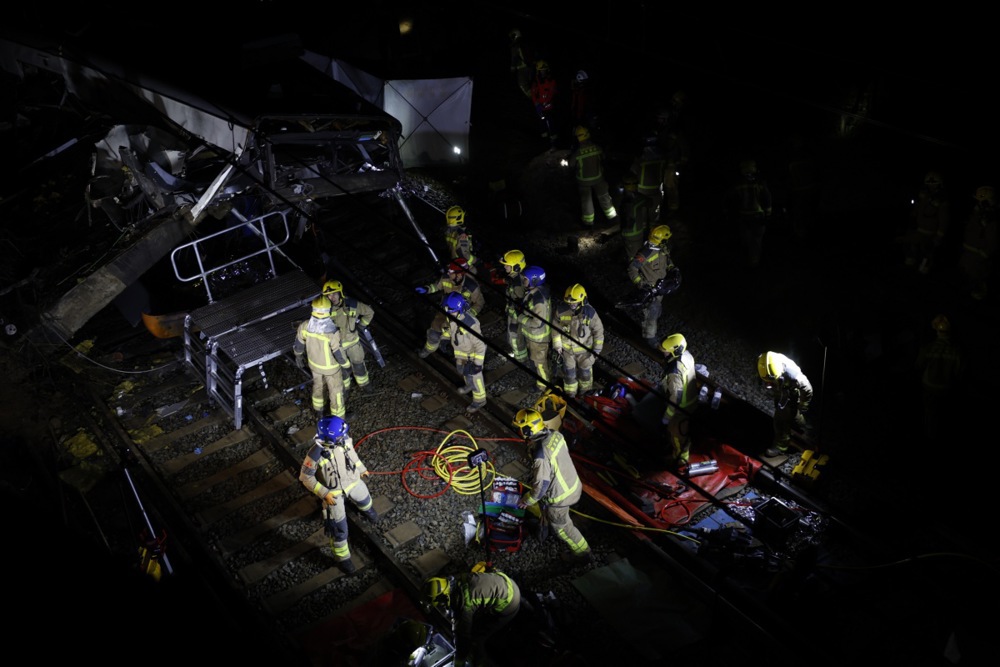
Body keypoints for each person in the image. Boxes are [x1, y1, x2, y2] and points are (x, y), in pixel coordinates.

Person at [298, 415, 378, 575]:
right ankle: (343, 558)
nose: (344, 437)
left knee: (365, 498)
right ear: (330, 438)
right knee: (339, 530)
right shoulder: (314, 455)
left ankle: (368, 511)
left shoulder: (344, 440)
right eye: (340, 436)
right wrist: (324, 493)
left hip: (352, 481)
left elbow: (352, 455)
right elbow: (305, 478)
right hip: (332, 494)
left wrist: (362, 469)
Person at [513, 408, 592, 564]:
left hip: (560, 498)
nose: (519, 431)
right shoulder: (555, 435)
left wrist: (526, 500)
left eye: (520, 428)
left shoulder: (540, 456)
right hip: (573, 485)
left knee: (563, 528)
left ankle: (583, 553)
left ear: (528, 430)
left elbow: (540, 487)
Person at [422, 562, 521, 666]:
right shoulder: (457, 579)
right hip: (506, 582)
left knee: (477, 637)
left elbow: (462, 637)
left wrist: (458, 662)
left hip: (510, 602)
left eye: (440, 604)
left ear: (444, 597)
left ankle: (480, 663)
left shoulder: (464, 603)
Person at [416, 257, 485, 359]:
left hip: (460, 318)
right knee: (433, 334)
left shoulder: (471, 286)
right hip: (444, 313)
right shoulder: (446, 277)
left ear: (459, 275)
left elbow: (479, 302)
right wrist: (427, 289)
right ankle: (427, 350)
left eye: (451, 272)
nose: (448, 273)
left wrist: (470, 314)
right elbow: (437, 286)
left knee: (457, 339)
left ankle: (457, 356)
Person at [294, 296, 351, 419]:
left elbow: (298, 345)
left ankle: (319, 412)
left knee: (318, 387)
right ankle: (339, 420)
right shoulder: (332, 331)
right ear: (328, 310)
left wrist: (298, 357)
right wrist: (347, 366)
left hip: (314, 366)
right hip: (331, 369)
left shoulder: (304, 326)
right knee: (336, 393)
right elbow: (338, 353)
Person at [626, 224, 677, 349]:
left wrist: (673, 268)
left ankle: (649, 329)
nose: (668, 241)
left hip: (660, 288)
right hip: (650, 289)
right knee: (652, 313)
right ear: (661, 240)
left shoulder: (662, 248)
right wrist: (641, 285)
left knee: (657, 311)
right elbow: (632, 269)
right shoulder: (646, 253)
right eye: (666, 239)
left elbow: (667, 260)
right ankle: (650, 339)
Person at [914, 315, 963, 442]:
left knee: (930, 415)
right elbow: (959, 373)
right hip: (946, 389)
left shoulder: (927, 348)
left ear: (936, 330)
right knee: (945, 415)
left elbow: (918, 366)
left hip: (929, 387)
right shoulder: (956, 351)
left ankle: (930, 439)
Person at [757, 351, 814, 458]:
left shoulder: (794, 376)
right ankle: (803, 427)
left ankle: (780, 446)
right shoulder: (764, 362)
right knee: (791, 413)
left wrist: (803, 404)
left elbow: (807, 389)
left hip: (790, 392)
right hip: (781, 389)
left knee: (780, 421)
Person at [322, 280, 375, 394]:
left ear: (340, 293)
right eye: (329, 295)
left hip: (353, 343)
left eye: (334, 293)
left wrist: (361, 325)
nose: (332, 297)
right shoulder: (324, 310)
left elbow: (369, 312)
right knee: (340, 370)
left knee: (358, 364)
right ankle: (344, 390)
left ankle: (364, 384)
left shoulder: (352, 304)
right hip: (336, 348)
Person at [551, 284, 604, 398]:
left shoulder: (590, 313)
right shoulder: (561, 310)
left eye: (574, 302)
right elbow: (555, 329)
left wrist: (596, 351)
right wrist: (557, 345)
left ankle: (585, 393)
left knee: (585, 374)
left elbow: (599, 332)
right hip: (567, 352)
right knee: (569, 375)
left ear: (582, 300)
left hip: (585, 352)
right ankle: (570, 394)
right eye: (569, 302)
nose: (572, 305)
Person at [440, 292, 488, 413]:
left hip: (472, 356)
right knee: (463, 372)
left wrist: (477, 364)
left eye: (451, 311)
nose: (448, 313)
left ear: (460, 310)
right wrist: (444, 339)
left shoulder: (470, 324)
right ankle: (469, 385)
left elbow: (481, 345)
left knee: (475, 378)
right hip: (461, 353)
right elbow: (448, 328)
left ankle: (480, 400)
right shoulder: (452, 316)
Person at [725, 158, 773, 269]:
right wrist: (768, 214)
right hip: (758, 216)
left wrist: (729, 213)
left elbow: (729, 199)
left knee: (746, 238)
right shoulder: (760, 182)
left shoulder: (737, 184)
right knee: (756, 240)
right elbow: (767, 198)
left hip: (744, 216)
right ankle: (754, 262)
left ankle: (746, 260)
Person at [659, 333, 698, 466]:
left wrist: (667, 417)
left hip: (681, 408)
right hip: (692, 401)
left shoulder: (674, 372)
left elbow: (675, 398)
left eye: (666, 352)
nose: (664, 354)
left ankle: (679, 459)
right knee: (685, 430)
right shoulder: (687, 355)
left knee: (676, 433)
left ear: (674, 352)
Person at [903, 170, 950, 275]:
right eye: (929, 184)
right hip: (919, 230)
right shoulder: (923, 196)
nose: (931, 186)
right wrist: (912, 220)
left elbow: (944, 220)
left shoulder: (942, 201)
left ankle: (924, 273)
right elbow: (917, 210)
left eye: (934, 184)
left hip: (931, 233)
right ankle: (909, 270)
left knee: (926, 255)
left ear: (940, 184)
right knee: (911, 247)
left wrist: (939, 237)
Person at [569, 125, 617, 227]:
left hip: (583, 181)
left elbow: (571, 165)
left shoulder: (577, 153)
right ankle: (612, 217)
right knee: (604, 197)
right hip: (599, 178)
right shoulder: (597, 147)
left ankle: (588, 222)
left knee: (586, 201)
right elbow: (604, 157)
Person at [957, 186, 998, 300]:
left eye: (981, 202)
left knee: (978, 277)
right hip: (968, 252)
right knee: (966, 275)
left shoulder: (990, 218)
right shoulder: (976, 214)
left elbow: (993, 240)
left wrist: (984, 255)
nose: (978, 204)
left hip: (978, 255)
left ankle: (979, 294)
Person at [518, 265, 553, 392]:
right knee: (537, 360)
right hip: (534, 336)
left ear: (534, 281)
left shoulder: (539, 301)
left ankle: (542, 386)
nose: (523, 281)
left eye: (525, 279)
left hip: (538, 338)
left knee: (540, 363)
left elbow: (537, 322)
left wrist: (521, 318)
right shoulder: (536, 292)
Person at [629, 135, 667, 226]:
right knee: (654, 214)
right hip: (657, 190)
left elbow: (632, 171)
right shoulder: (662, 157)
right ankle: (653, 228)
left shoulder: (641, 159)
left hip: (643, 190)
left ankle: (642, 229)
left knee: (643, 215)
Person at [500, 249, 529, 364]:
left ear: (516, 267)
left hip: (517, 315)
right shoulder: (515, 278)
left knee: (515, 335)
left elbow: (520, 301)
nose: (505, 267)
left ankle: (521, 359)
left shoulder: (518, 282)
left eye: (507, 265)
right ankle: (516, 354)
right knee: (512, 335)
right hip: (513, 312)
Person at [530, 59, 559, 147]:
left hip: (549, 108)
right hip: (541, 109)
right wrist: (537, 105)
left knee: (551, 125)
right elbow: (533, 94)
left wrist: (547, 102)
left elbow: (552, 92)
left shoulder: (551, 80)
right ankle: (545, 144)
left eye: (544, 70)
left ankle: (554, 143)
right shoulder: (535, 82)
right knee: (542, 125)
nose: (543, 72)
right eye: (541, 71)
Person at [619, 172, 647, 261]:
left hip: (624, 232)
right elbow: (649, 202)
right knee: (636, 256)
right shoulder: (639, 199)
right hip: (635, 234)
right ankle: (634, 268)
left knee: (630, 251)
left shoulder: (619, 197)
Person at [444, 205, 478, 275]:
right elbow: (464, 254)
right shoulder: (462, 235)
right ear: (459, 218)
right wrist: (475, 260)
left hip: (453, 264)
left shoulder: (448, 231)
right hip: (463, 266)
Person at [508, 28, 533, 99]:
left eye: (512, 36)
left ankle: (534, 99)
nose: (511, 38)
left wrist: (512, 67)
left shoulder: (515, 45)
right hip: (531, 66)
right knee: (532, 83)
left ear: (515, 35)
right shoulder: (525, 42)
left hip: (522, 68)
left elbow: (514, 57)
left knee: (523, 85)